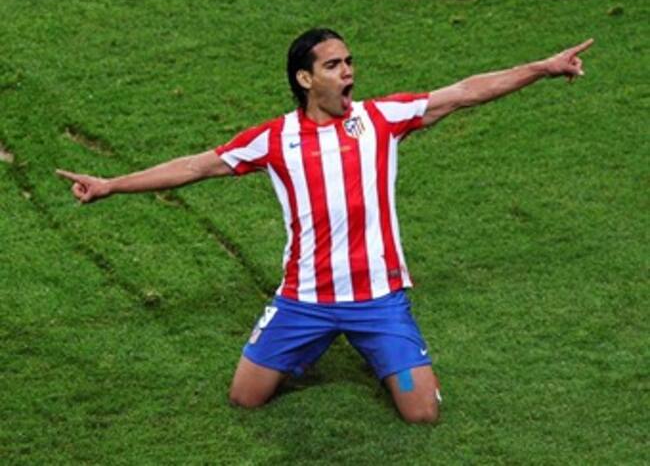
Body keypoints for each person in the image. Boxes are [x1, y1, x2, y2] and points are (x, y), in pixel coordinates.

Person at [57, 28, 593, 424]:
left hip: (378, 300)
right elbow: (197, 166)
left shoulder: (380, 119)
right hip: (303, 300)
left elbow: (464, 91)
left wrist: (542, 68)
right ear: (305, 78)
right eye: (334, 65)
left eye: (349, 62)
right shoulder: (274, 139)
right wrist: (110, 184)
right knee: (244, 398)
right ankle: (308, 348)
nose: (348, 73)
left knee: (423, 414)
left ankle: (375, 351)